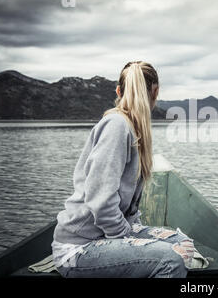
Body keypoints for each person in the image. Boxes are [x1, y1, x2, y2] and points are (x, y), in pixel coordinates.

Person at [52, 61, 194, 278]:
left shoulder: (133, 128)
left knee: (183, 245)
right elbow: (100, 199)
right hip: (79, 248)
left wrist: (134, 235)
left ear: (119, 91)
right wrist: (127, 238)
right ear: (155, 92)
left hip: (107, 235)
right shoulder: (117, 126)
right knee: (170, 259)